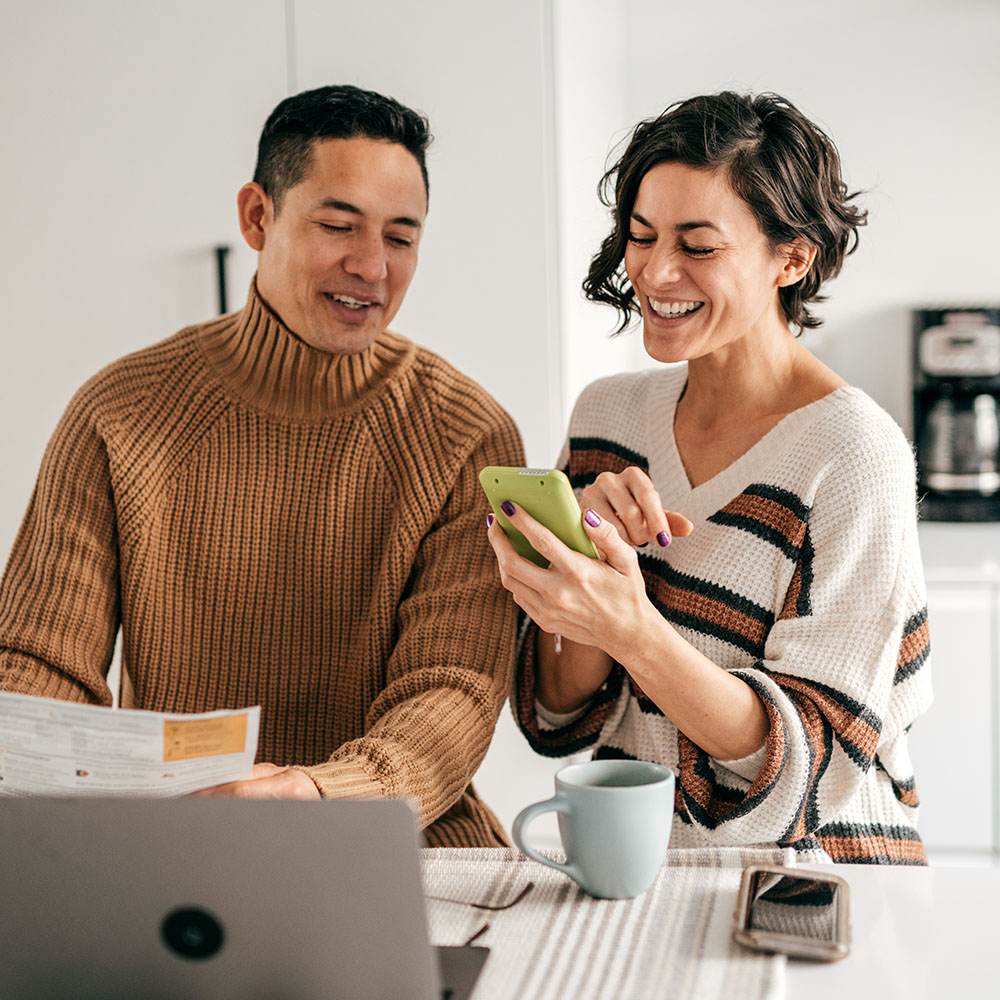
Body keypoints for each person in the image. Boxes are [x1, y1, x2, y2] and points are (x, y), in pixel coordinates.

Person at [0, 84, 525, 847]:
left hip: (401, 844)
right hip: (177, 845)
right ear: (257, 216)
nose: (372, 266)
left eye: (401, 238)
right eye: (338, 224)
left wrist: (318, 793)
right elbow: (36, 666)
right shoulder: (118, 411)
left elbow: (454, 693)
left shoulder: (466, 434)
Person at [488, 91, 932, 864]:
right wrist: (588, 570)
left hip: (815, 884)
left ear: (791, 258)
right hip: (640, 867)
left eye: (698, 245)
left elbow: (805, 773)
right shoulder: (609, 415)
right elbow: (555, 716)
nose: (655, 271)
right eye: (640, 235)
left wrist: (634, 627)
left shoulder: (855, 453)